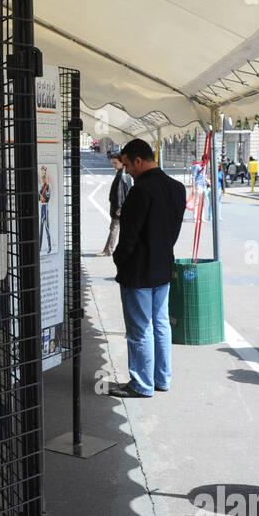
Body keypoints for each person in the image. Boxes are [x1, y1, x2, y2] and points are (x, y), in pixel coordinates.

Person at [107, 138, 186, 399]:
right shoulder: (177, 188)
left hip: (138, 271)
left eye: (128, 165)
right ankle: (162, 379)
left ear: (139, 161)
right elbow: (174, 231)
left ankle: (141, 383)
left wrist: (119, 259)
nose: (127, 170)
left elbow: (129, 236)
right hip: (163, 266)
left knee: (140, 328)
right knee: (161, 323)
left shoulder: (140, 191)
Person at [100, 153, 132, 256]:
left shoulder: (121, 174)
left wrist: (119, 208)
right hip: (123, 207)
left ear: (122, 163)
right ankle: (110, 250)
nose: (114, 165)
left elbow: (120, 193)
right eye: (113, 163)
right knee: (119, 228)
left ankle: (108, 250)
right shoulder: (123, 173)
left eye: (115, 163)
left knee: (114, 228)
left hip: (119, 208)